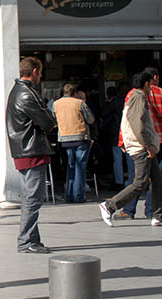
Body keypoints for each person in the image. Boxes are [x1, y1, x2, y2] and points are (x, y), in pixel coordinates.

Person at [6, 57, 57, 254]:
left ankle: (32, 239)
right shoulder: (27, 93)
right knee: (33, 197)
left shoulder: (17, 91)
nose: (41, 76)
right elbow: (48, 121)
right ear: (35, 71)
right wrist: (47, 120)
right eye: (40, 71)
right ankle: (26, 241)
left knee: (31, 195)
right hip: (31, 150)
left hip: (24, 150)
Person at [99, 71, 162, 227]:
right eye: (150, 85)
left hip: (143, 146)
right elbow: (137, 124)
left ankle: (157, 215)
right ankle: (110, 205)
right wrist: (147, 145)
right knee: (140, 183)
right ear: (147, 83)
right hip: (141, 147)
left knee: (157, 180)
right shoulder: (138, 97)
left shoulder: (133, 96)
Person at [119, 67, 162, 219]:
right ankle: (153, 212)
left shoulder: (132, 94)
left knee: (136, 178)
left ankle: (128, 210)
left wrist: (122, 141)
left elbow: (126, 120)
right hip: (153, 142)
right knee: (154, 179)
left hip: (139, 143)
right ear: (154, 78)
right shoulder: (158, 93)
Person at [53, 83, 96, 204]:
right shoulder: (79, 103)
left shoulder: (56, 104)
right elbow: (91, 119)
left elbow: (53, 119)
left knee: (70, 166)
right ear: (75, 93)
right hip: (80, 137)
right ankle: (78, 196)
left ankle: (69, 194)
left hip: (65, 138)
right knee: (80, 167)